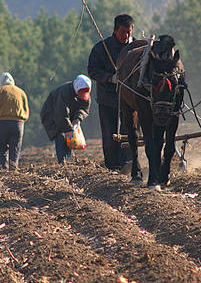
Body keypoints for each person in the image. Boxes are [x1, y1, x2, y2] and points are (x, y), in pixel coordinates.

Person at [87, 14, 134, 172]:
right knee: (109, 136)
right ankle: (112, 168)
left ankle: (128, 163)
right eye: (122, 32)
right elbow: (92, 71)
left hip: (130, 100)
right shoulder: (101, 48)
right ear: (115, 30)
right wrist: (109, 78)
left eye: (129, 32)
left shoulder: (136, 48)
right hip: (108, 99)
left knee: (129, 132)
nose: (126, 36)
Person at [40, 75, 91, 164]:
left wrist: (77, 119)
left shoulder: (85, 91)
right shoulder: (64, 93)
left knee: (70, 139)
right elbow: (61, 114)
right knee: (61, 137)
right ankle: (62, 163)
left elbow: (84, 108)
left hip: (67, 116)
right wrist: (68, 129)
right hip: (51, 115)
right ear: (77, 88)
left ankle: (65, 161)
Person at [0, 72, 29, 170]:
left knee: (3, 147)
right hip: (18, 124)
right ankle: (13, 168)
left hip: (2, 124)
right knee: (15, 147)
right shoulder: (21, 92)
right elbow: (26, 110)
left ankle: (4, 169)